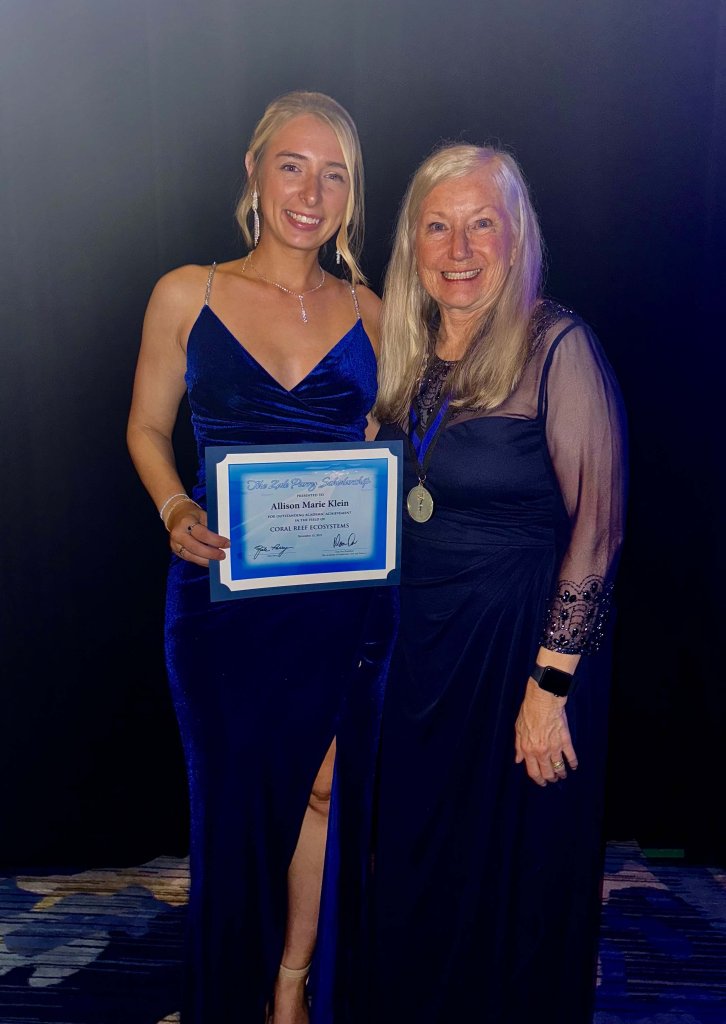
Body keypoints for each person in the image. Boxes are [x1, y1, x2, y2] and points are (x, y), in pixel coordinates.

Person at [126, 91, 384, 1024]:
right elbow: (147, 427)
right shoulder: (186, 292)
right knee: (232, 814)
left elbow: (394, 447)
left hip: (339, 603)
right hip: (218, 598)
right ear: (254, 170)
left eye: (335, 173)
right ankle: (222, 996)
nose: (311, 191)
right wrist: (173, 502)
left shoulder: (373, 309)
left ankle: (288, 989)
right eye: (293, 165)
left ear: (351, 196)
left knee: (325, 789)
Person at [363, 144, 627, 1023]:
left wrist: (550, 687)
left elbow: (597, 527)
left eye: (482, 223)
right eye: (438, 226)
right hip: (422, 658)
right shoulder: (408, 351)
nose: (460, 246)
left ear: (515, 239)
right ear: (414, 245)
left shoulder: (558, 345)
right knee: (422, 860)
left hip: (521, 656)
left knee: (516, 875)